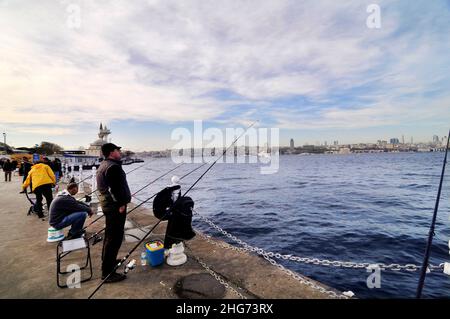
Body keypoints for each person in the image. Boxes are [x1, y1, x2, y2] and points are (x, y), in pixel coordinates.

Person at [97, 143, 131, 283]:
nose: (120, 152)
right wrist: (121, 204)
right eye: (118, 150)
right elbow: (114, 189)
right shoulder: (113, 167)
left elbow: (114, 187)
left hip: (108, 206)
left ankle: (109, 261)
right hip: (115, 207)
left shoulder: (105, 164)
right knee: (114, 238)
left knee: (110, 236)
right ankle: (107, 273)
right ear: (112, 152)